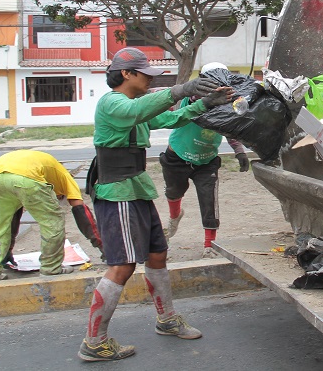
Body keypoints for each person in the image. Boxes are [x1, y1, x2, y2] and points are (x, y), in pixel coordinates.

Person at [79, 47, 234, 362]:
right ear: (126, 74)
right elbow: (139, 112)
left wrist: (203, 103)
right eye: (145, 75)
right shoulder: (112, 103)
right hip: (116, 192)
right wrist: (181, 90)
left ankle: (166, 319)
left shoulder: (136, 107)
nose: (150, 81)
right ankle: (94, 341)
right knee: (122, 265)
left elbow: (172, 117)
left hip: (135, 188)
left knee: (157, 254)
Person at [160, 62, 250, 259]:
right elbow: (192, 101)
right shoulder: (191, 100)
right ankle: (174, 217)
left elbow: (230, 127)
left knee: (209, 201)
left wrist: (239, 151)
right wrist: (205, 94)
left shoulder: (227, 103)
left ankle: (209, 245)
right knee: (173, 192)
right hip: (178, 155)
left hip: (206, 160)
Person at [0, 149, 99, 280]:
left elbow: (12, 216)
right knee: (53, 222)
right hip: (27, 177)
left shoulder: (47, 169)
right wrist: (101, 244)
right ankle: (51, 268)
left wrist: (7, 250)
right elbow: (82, 213)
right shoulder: (66, 178)